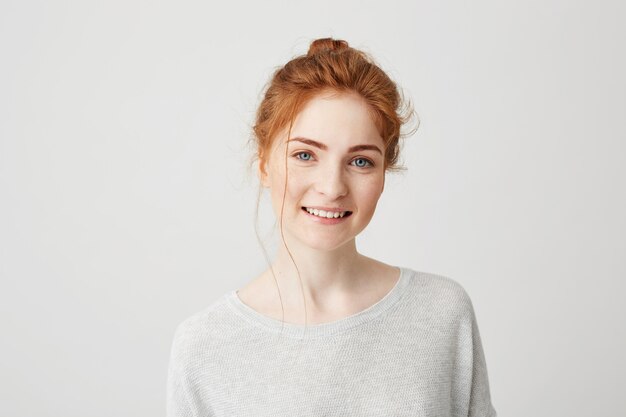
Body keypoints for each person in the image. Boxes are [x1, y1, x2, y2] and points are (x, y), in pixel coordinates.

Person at [166, 37, 497, 417]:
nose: (332, 187)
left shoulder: (442, 313)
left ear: (384, 174)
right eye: (305, 155)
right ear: (263, 166)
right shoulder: (204, 347)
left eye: (360, 162)